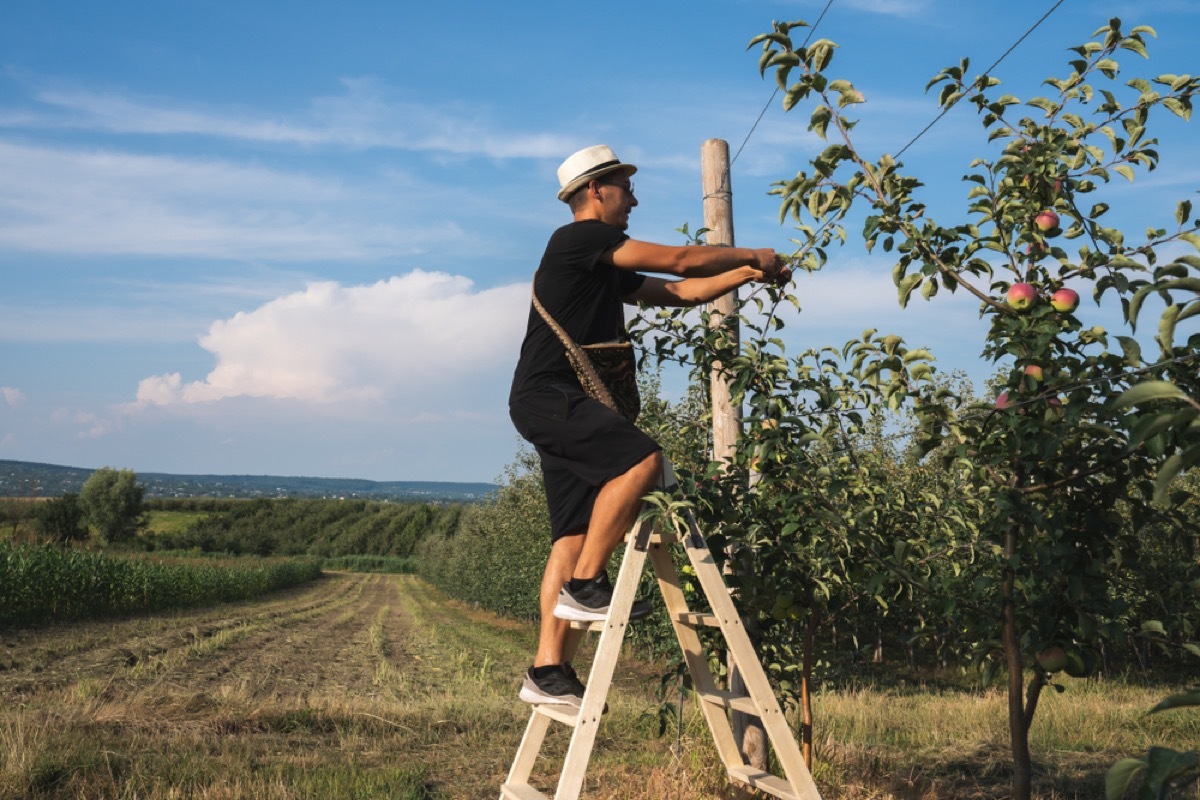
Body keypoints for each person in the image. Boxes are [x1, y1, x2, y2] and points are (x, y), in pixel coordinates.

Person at [508, 144, 790, 707]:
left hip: (544, 402)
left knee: (570, 534)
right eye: (625, 188)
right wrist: (756, 252)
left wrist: (747, 273)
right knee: (642, 461)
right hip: (554, 397)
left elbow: (683, 292)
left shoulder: (595, 264)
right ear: (595, 191)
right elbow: (683, 262)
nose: (633, 199)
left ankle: (547, 671)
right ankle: (587, 585)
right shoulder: (581, 239)